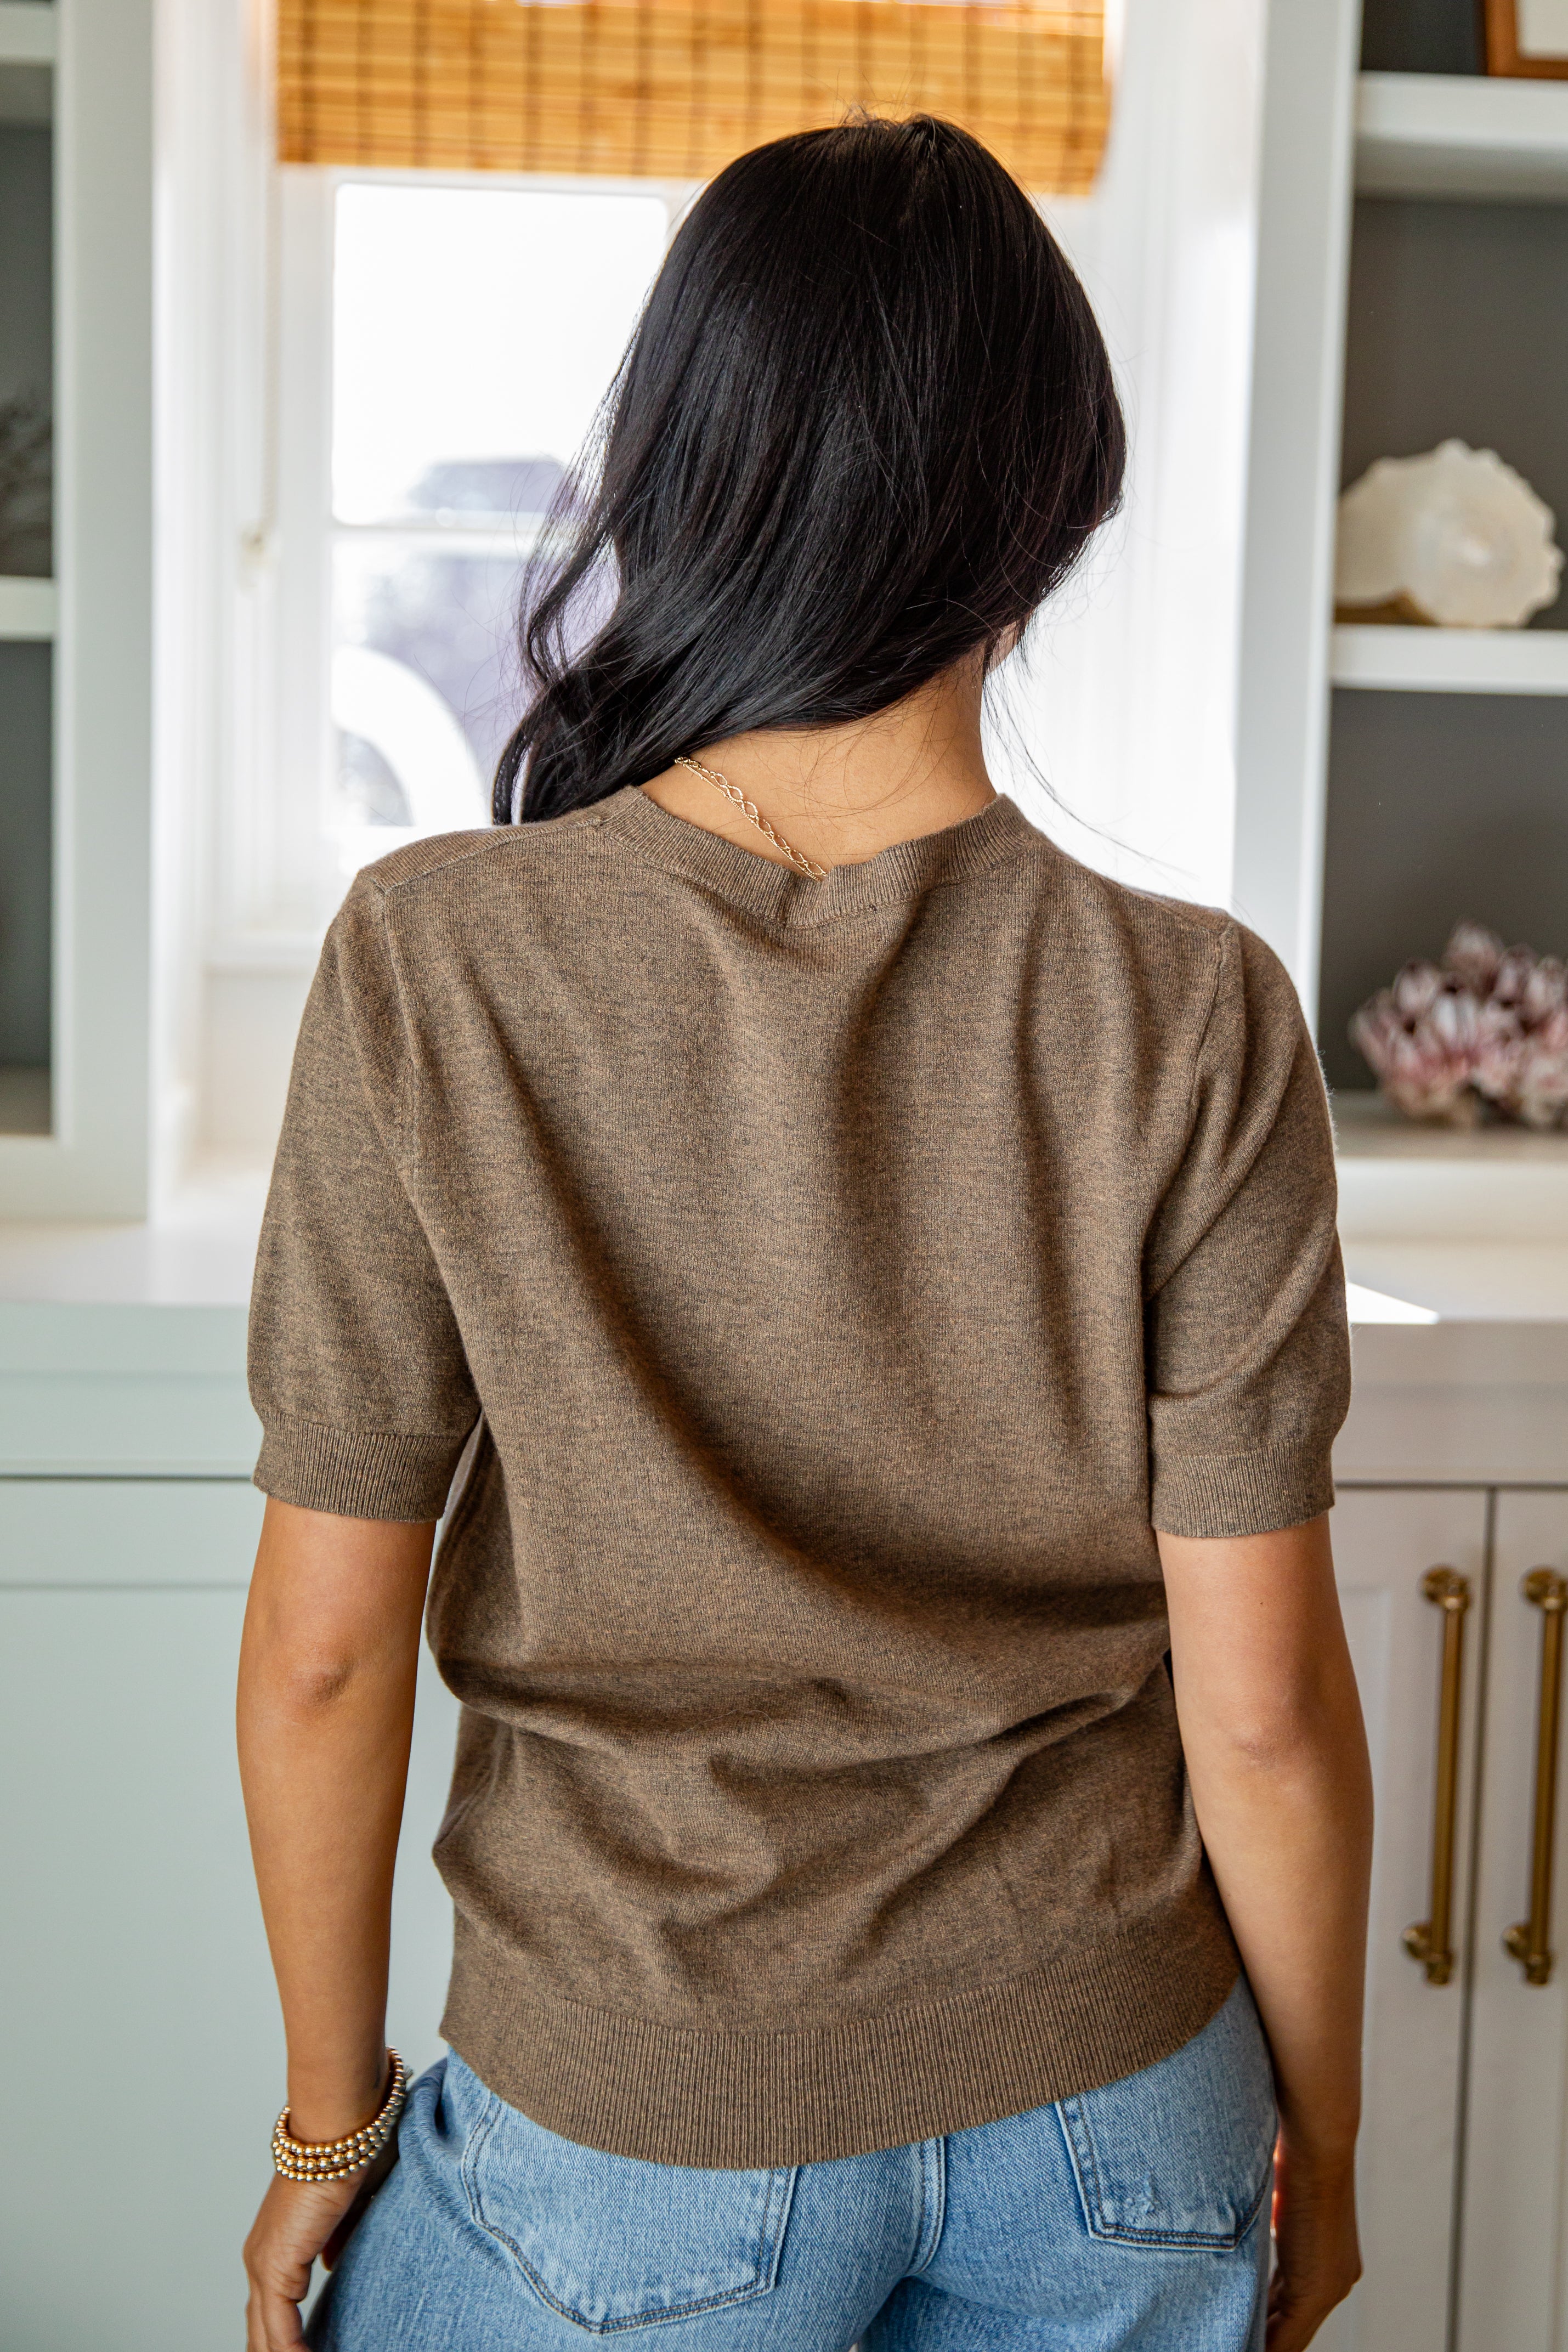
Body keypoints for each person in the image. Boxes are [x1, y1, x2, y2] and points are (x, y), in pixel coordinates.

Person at [239, 113, 1370, 2352]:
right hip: (1121, 2120)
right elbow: (1265, 1720)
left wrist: (321, 2132)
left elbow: (324, 1651)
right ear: (1049, 512)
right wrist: (1316, 2158)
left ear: (677, 471)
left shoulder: (435, 959)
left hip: (630, 2116)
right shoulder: (1193, 1006)